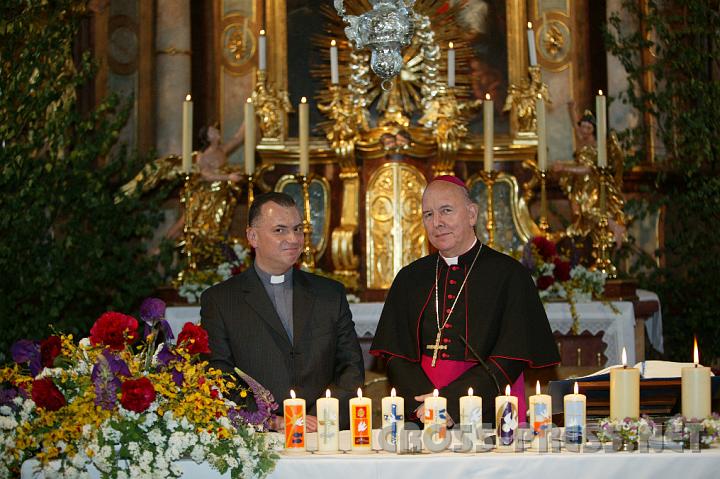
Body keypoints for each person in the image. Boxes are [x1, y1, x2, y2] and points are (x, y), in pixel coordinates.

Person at [370, 176, 559, 426]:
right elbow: (395, 354)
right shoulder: (410, 277)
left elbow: (512, 356)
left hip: (490, 407)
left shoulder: (509, 275)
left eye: (446, 211)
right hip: (421, 413)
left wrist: (452, 402)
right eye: (428, 214)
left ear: (471, 214)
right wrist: (425, 405)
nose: (437, 223)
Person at [201, 192, 365, 431]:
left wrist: (323, 416)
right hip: (258, 438)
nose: (294, 238)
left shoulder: (330, 294)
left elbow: (350, 366)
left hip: (322, 432)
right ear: (253, 236)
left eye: (298, 229)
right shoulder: (220, 300)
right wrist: (268, 420)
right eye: (280, 230)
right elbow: (219, 373)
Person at [165, 123, 246, 241]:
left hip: (219, 195)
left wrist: (248, 117)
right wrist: (228, 177)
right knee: (186, 220)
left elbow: (238, 138)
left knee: (216, 225)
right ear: (208, 137)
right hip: (204, 195)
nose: (217, 131)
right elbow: (206, 175)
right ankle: (164, 245)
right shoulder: (202, 155)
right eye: (213, 131)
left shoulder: (222, 150)